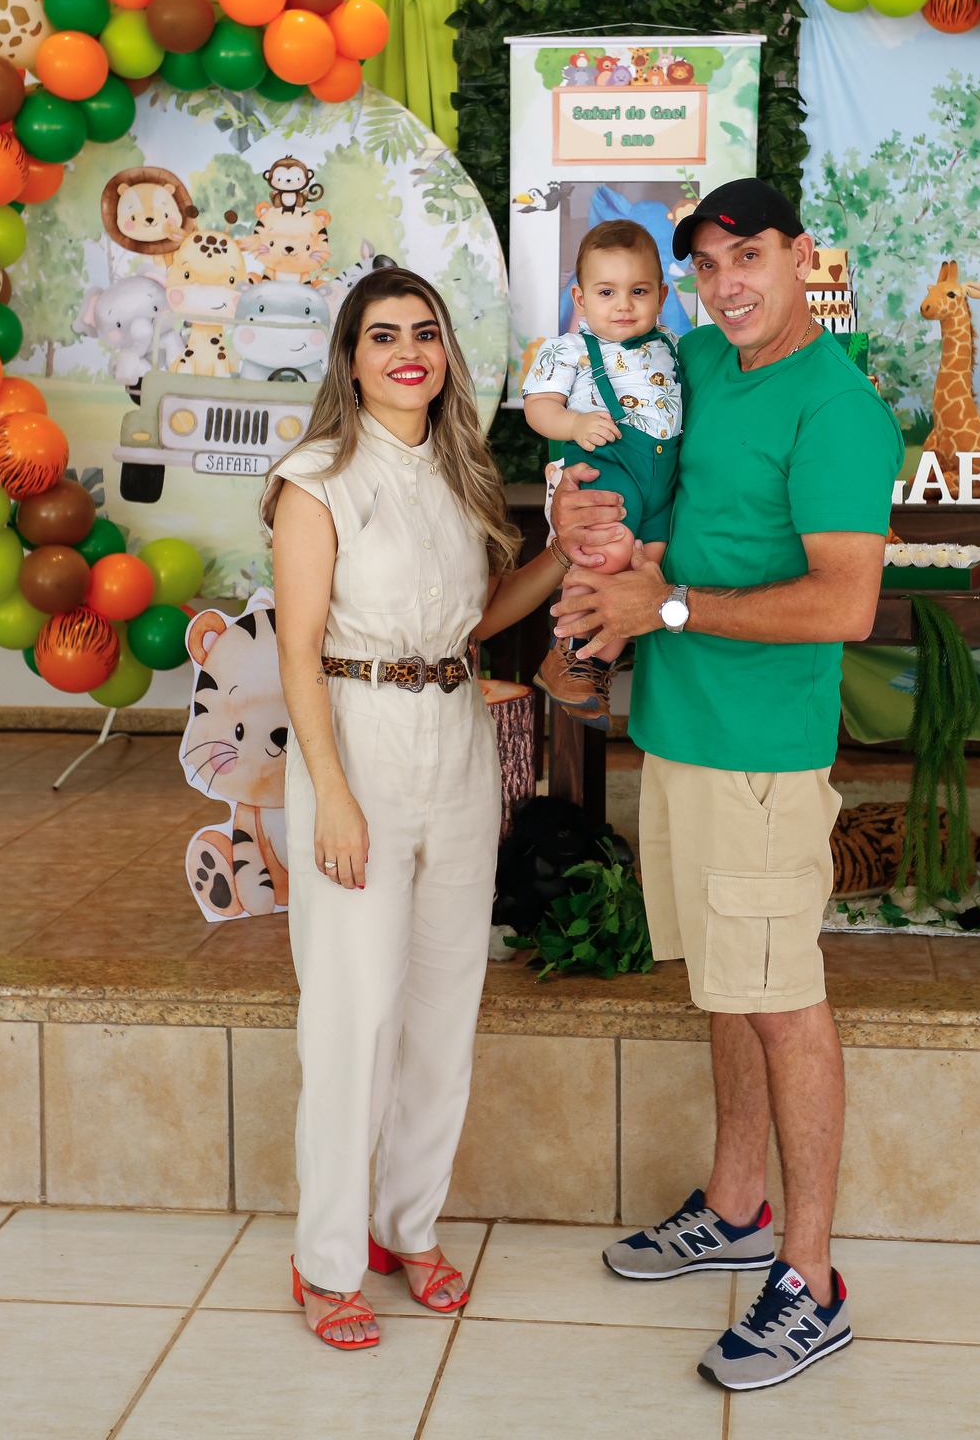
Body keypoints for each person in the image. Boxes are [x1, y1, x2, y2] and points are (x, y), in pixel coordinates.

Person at [549, 180, 904, 1394]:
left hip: (761, 754)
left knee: (782, 998)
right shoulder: (695, 358)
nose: (727, 284)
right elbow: (636, 464)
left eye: (748, 256)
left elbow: (845, 604)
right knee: (726, 984)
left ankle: (811, 1278)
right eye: (706, 265)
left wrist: (668, 607)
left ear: (801, 257)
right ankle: (739, 1205)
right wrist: (590, 508)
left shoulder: (838, 410)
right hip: (680, 729)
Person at [265, 265, 564, 1351]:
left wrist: (565, 555)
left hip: (456, 736)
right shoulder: (316, 478)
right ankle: (327, 1261)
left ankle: (408, 1226)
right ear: (350, 360)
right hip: (358, 740)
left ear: (445, 355)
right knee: (353, 1016)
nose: (407, 351)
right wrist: (332, 795)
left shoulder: (459, 469)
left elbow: (474, 620)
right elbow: (298, 650)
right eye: (383, 335)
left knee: (443, 1007)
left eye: (425, 333)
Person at [522, 219, 682, 730]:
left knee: (645, 573)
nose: (624, 305)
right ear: (581, 298)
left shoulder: (670, 345)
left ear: (661, 296)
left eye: (639, 291)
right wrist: (574, 423)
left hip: (660, 477)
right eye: (607, 292)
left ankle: (593, 668)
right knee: (605, 555)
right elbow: (538, 408)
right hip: (607, 465)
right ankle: (567, 652)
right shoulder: (567, 349)